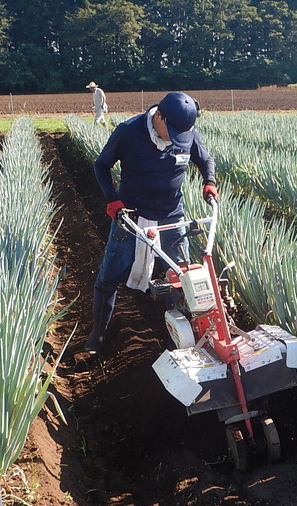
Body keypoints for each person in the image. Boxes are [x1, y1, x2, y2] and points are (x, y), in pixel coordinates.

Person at [84, 91, 218, 354]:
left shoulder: (185, 131)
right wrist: (112, 199)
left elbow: (205, 159)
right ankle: (98, 335)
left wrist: (209, 182)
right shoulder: (129, 131)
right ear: (159, 116)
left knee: (180, 281)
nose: (175, 139)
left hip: (172, 215)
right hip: (131, 217)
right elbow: (101, 165)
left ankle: (177, 342)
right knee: (110, 276)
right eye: (172, 132)